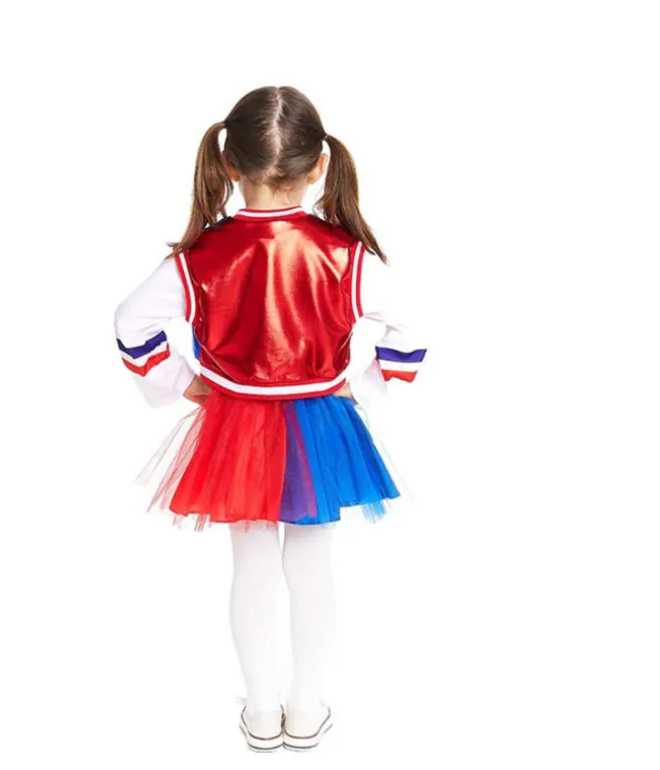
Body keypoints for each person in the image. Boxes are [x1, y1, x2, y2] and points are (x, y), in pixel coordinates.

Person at [114, 86, 427, 752]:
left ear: (229, 162)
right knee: (312, 566)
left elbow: (130, 325)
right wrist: (365, 388)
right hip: (322, 425)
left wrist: (182, 383)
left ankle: (261, 713)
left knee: (251, 568)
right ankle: (305, 709)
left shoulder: (198, 257)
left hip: (234, 428)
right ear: (320, 165)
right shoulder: (346, 255)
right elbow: (412, 331)